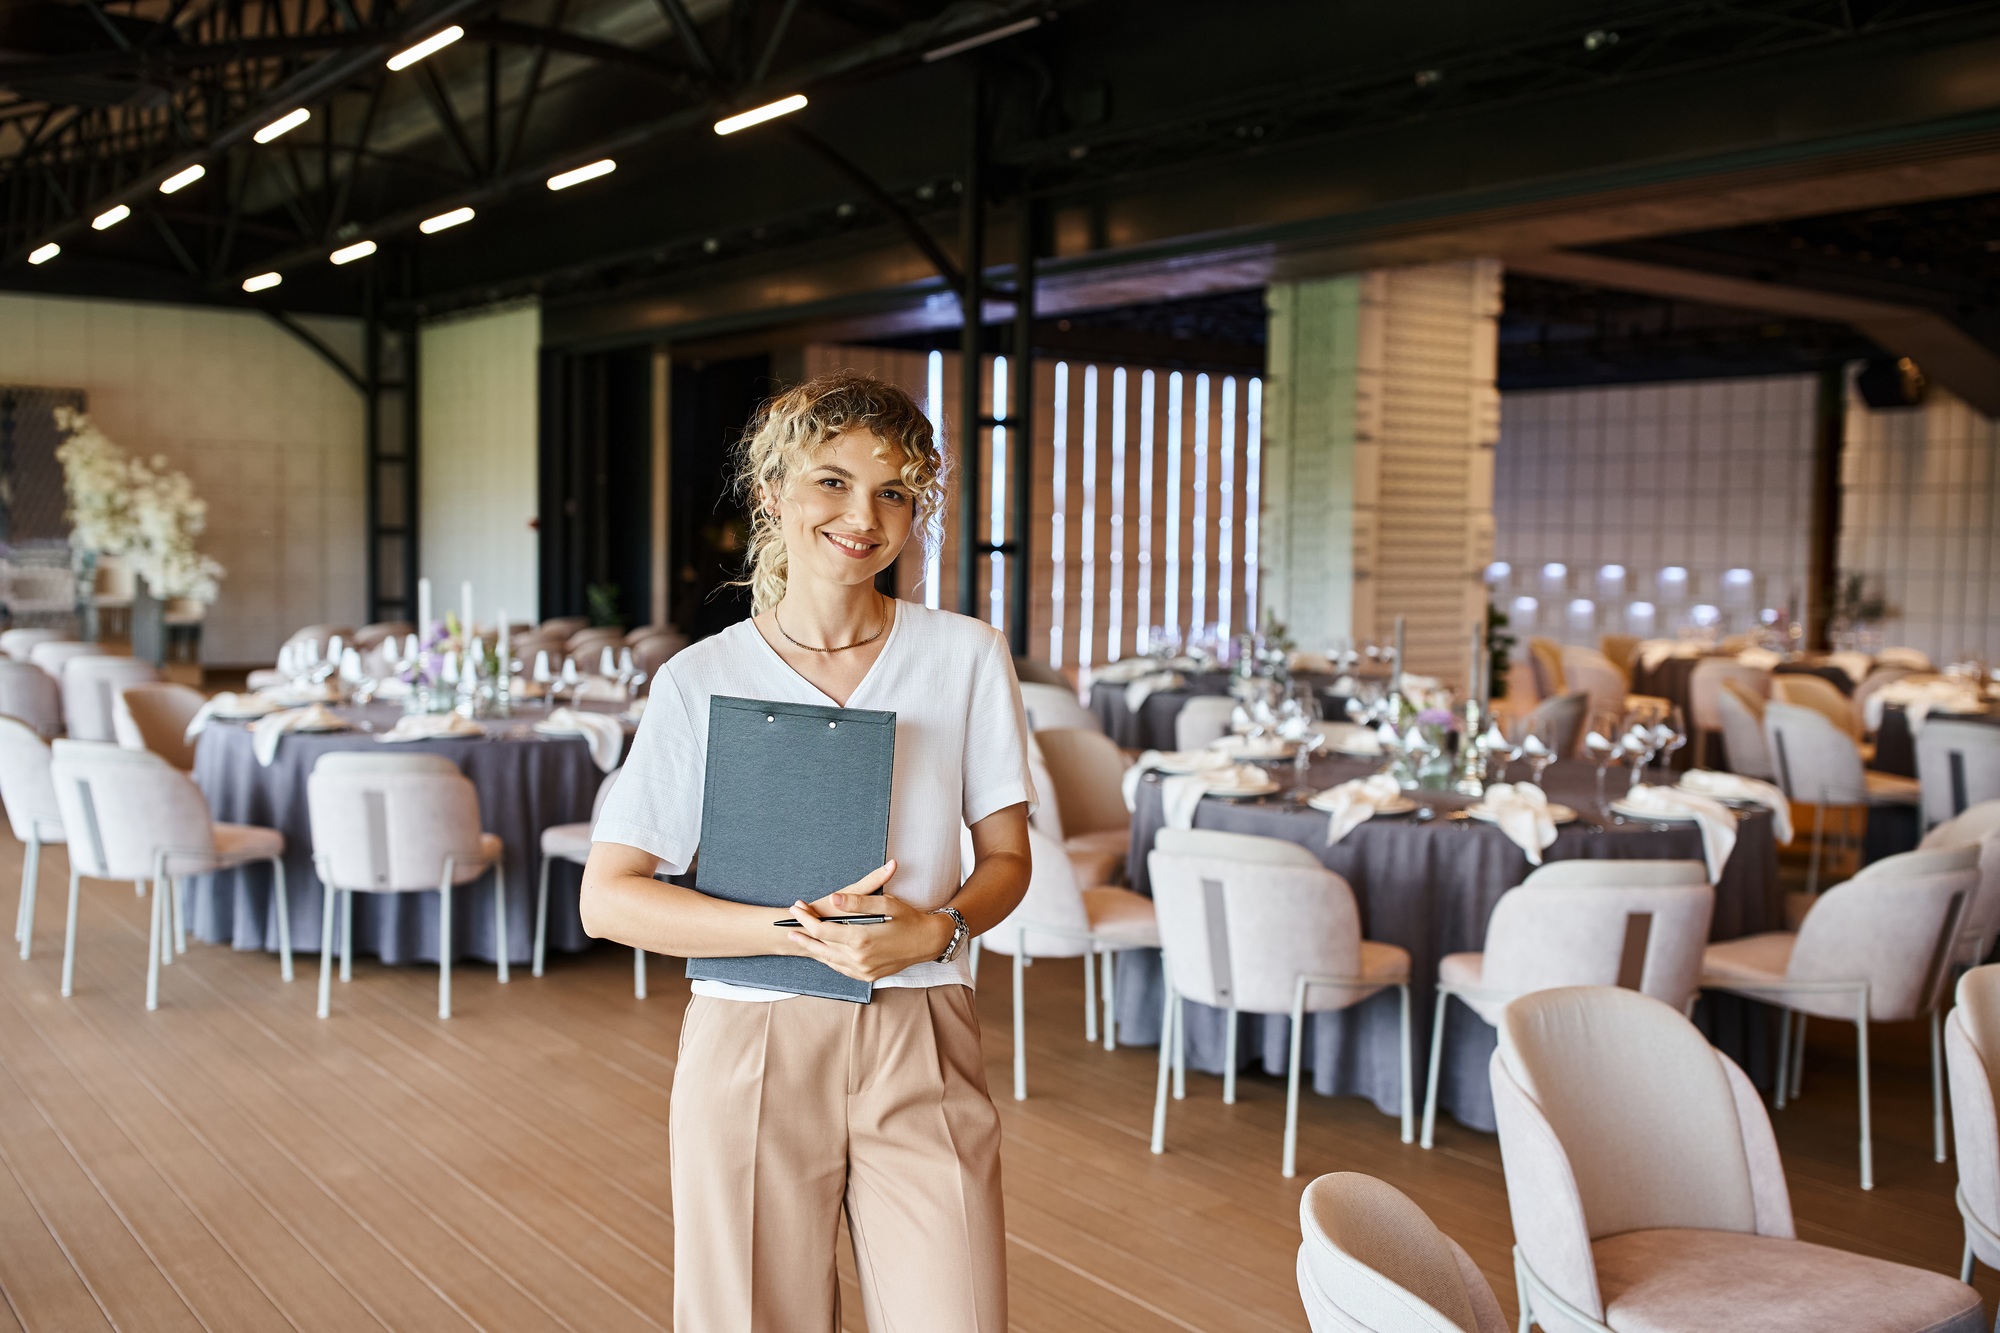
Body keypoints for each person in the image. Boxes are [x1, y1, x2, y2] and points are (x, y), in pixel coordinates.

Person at [581, 370, 1033, 1333]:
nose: (862, 515)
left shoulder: (964, 655)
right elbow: (609, 899)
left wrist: (937, 928)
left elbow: (1008, 859)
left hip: (924, 1031)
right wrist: (794, 930)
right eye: (831, 481)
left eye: (894, 491)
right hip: (750, 1042)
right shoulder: (698, 680)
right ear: (772, 493)